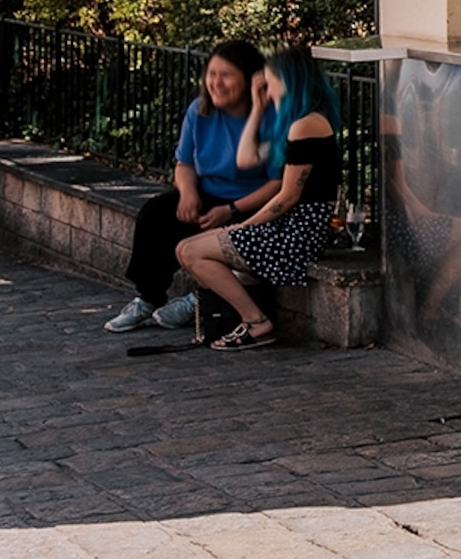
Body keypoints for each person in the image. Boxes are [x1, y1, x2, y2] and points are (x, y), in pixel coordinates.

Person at [174, 46, 344, 350]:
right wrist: (257, 107)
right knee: (187, 248)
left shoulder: (307, 126)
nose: (266, 87)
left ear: (286, 80)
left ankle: (255, 322)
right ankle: (249, 319)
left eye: (269, 81)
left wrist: (242, 227)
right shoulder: (293, 124)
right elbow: (245, 158)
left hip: (299, 232)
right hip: (287, 225)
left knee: (190, 252)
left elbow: (288, 197)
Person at [105, 39, 275, 332]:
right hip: (208, 197)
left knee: (232, 242)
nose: (216, 83)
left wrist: (231, 210)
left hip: (252, 206)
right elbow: (184, 164)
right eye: (211, 73)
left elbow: (278, 183)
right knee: (155, 215)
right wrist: (188, 193)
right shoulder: (199, 111)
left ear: (250, 78)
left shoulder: (269, 117)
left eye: (226, 75)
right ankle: (149, 298)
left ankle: (201, 299)